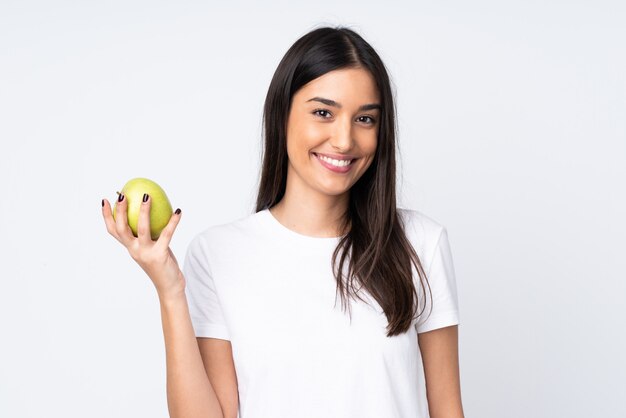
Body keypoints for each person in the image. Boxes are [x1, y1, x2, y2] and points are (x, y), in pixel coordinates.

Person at [102, 25, 464, 418]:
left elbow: (447, 410)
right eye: (323, 112)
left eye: (365, 119)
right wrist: (170, 290)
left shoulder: (419, 243)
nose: (344, 140)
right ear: (282, 114)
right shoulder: (218, 253)